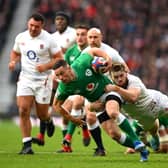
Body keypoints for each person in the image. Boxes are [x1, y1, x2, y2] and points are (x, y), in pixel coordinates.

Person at [52, 49, 149, 162]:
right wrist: (73, 119)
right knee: (114, 135)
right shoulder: (64, 88)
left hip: (108, 91)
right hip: (96, 102)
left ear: (68, 67)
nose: (61, 78)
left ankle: (136, 141)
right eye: (58, 76)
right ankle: (143, 149)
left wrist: (107, 59)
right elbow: (56, 105)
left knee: (112, 112)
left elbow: (93, 51)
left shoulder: (81, 63)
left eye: (62, 73)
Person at [8, 13, 63, 154]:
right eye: (31, 25)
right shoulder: (21, 37)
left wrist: (45, 67)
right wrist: (13, 61)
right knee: (23, 109)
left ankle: (48, 120)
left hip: (43, 81)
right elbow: (15, 52)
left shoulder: (49, 40)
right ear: (28, 23)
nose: (33, 29)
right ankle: (27, 145)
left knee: (42, 115)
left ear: (42, 26)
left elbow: (59, 59)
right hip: (26, 78)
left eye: (36, 27)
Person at [81, 27, 131, 156]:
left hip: (108, 93)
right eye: (90, 37)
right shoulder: (85, 54)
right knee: (92, 119)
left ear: (101, 37)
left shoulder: (110, 52)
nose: (92, 40)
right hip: (92, 92)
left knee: (114, 132)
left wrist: (120, 88)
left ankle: (138, 143)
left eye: (95, 37)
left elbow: (126, 69)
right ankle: (100, 148)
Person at [35, 11, 77, 144]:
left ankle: (82, 130)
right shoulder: (51, 37)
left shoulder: (74, 34)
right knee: (45, 102)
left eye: (62, 19)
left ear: (67, 21)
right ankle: (41, 135)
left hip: (69, 75)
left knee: (72, 106)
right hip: (54, 75)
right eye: (57, 19)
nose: (59, 21)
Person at [105, 63, 168, 152]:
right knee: (152, 128)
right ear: (111, 77)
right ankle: (154, 137)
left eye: (121, 75)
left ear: (126, 73)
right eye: (116, 77)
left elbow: (133, 98)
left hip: (156, 102)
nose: (119, 79)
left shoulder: (133, 80)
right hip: (143, 116)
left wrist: (117, 89)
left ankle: (151, 136)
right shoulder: (111, 90)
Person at [57, 24, 91, 153]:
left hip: (88, 87)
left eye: (83, 34)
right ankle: (82, 130)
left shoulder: (91, 51)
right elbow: (62, 70)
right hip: (72, 87)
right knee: (64, 110)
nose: (80, 37)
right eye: (78, 34)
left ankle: (68, 139)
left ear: (87, 37)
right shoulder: (70, 52)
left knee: (77, 103)